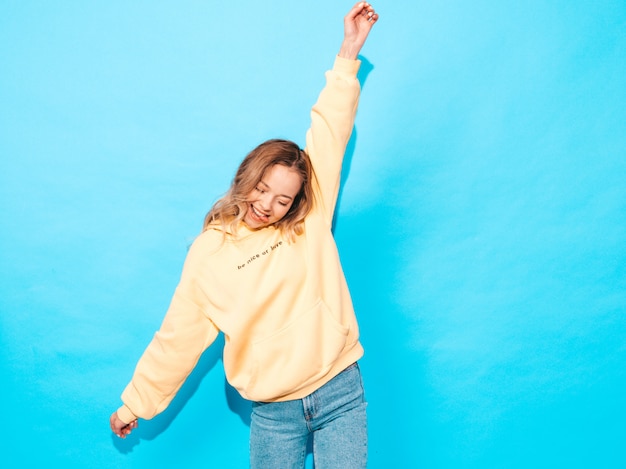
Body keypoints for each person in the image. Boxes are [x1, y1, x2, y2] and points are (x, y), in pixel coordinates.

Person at [110, 2, 379, 467]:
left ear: (298, 201)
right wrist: (137, 402)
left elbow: (330, 133)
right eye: (262, 189)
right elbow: (180, 335)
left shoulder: (306, 222)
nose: (268, 206)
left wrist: (348, 53)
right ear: (245, 176)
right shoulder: (211, 252)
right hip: (274, 412)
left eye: (283, 199)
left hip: (340, 391)